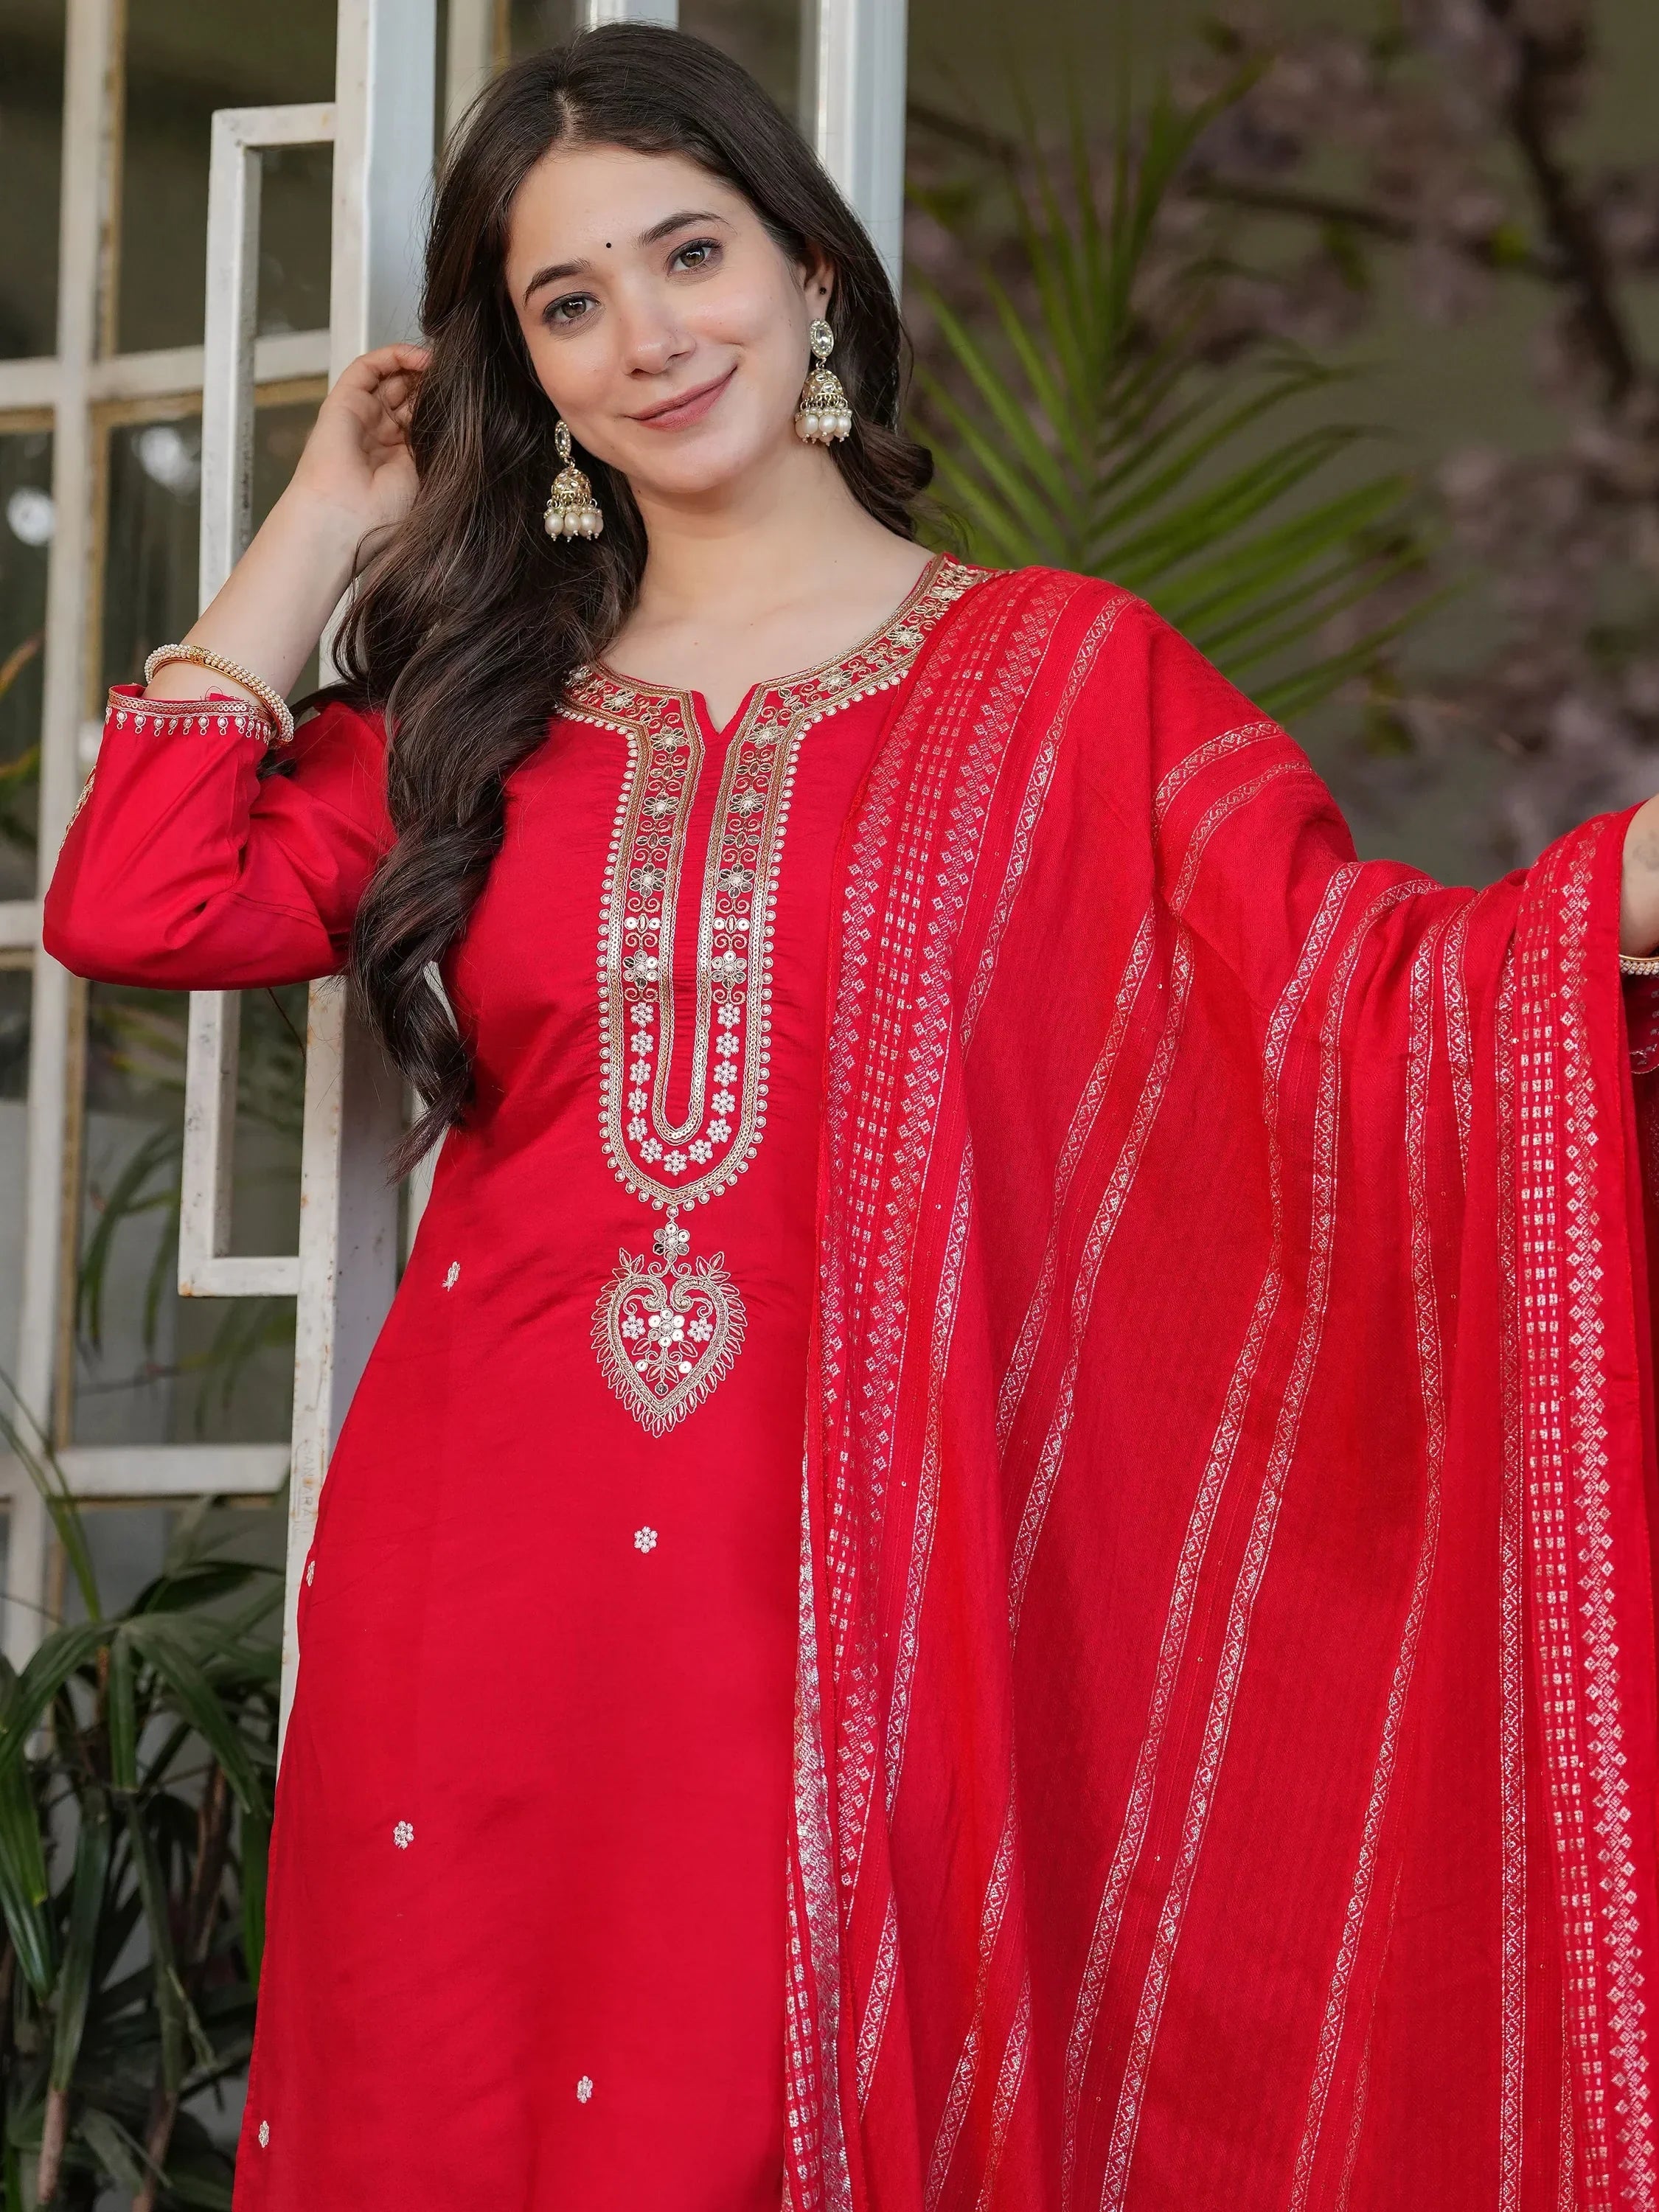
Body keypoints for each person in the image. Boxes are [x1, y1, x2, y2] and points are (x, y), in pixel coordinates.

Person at [41, 22, 1659, 2212]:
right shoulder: (478, 717)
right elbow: (136, 897)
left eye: (688, 252)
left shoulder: (1064, 679)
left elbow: (1360, 1003)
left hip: (852, 1592)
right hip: (476, 1590)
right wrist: (336, 504)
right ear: (525, 373)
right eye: (568, 302)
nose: (647, 334)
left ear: (810, 268)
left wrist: (1598, 910)